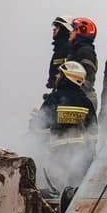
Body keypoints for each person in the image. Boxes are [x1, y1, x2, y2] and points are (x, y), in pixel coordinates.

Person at [35, 61, 98, 189]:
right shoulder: (86, 102)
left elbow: (41, 129)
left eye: (60, 74)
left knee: (59, 192)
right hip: (81, 160)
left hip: (57, 157)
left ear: (67, 77)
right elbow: (93, 134)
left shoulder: (54, 99)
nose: (57, 76)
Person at [68, 17, 100, 112]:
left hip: (83, 99)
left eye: (74, 29)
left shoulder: (86, 51)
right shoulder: (77, 51)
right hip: (78, 97)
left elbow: (87, 79)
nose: (70, 32)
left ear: (82, 31)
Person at [46, 15, 73, 89]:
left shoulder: (69, 48)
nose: (54, 29)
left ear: (64, 30)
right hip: (59, 90)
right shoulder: (59, 49)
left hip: (67, 92)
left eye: (57, 27)